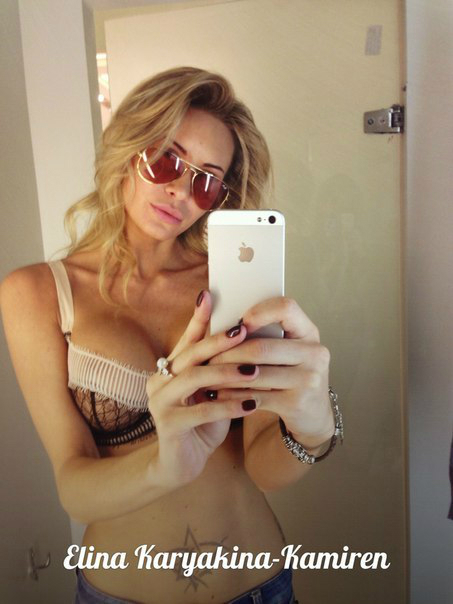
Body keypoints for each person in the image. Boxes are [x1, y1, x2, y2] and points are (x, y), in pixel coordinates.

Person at [0, 66, 341, 604]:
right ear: (128, 148)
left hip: (259, 587)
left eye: (206, 180)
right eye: (166, 159)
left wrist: (314, 430)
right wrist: (165, 467)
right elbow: (74, 487)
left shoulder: (234, 286)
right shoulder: (38, 293)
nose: (180, 189)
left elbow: (263, 468)